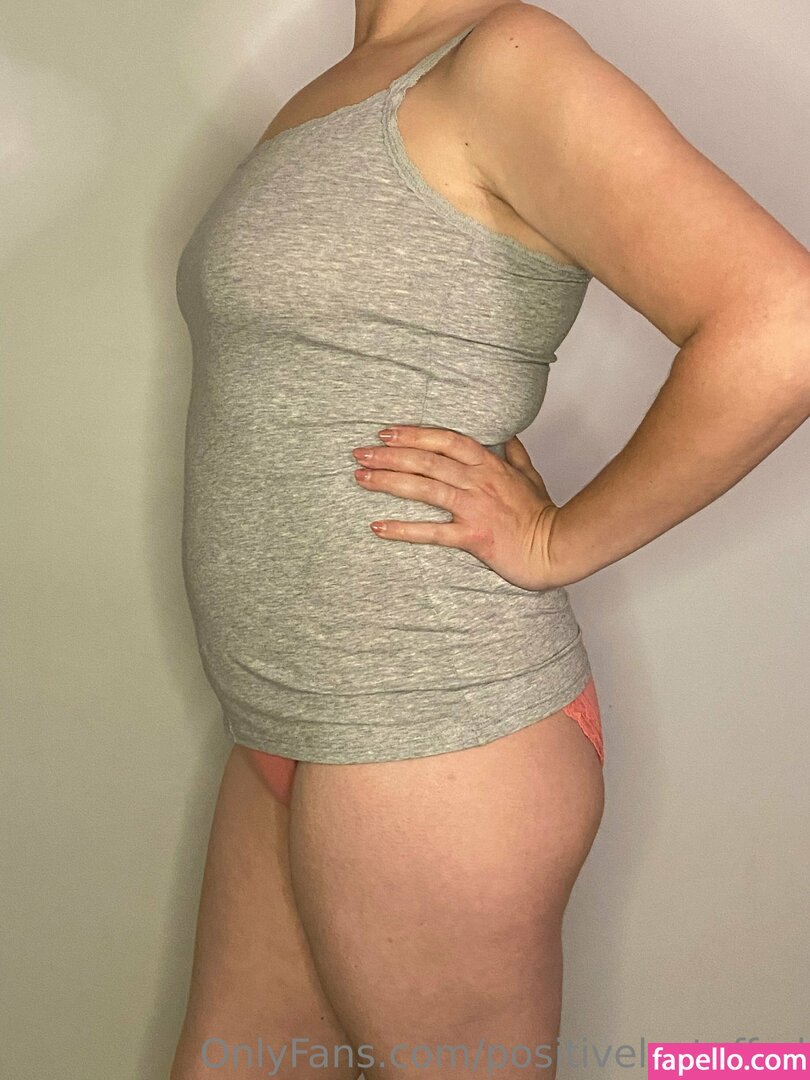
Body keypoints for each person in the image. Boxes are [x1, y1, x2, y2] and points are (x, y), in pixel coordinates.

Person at [170, 2, 810, 1077]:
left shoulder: (505, 58)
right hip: (287, 710)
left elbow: (782, 323)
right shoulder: (352, 79)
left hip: (433, 717)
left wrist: (559, 540)